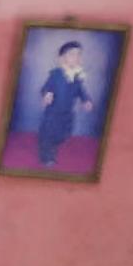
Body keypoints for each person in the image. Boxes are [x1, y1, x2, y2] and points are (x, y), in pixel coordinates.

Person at [33, 38, 96, 169]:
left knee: (63, 133)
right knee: (48, 134)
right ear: (62, 58)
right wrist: (47, 94)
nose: (76, 57)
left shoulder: (78, 76)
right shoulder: (55, 74)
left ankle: (55, 143)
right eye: (72, 54)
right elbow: (46, 87)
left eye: (78, 54)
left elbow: (81, 90)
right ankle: (47, 157)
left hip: (67, 113)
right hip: (53, 112)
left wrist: (86, 100)